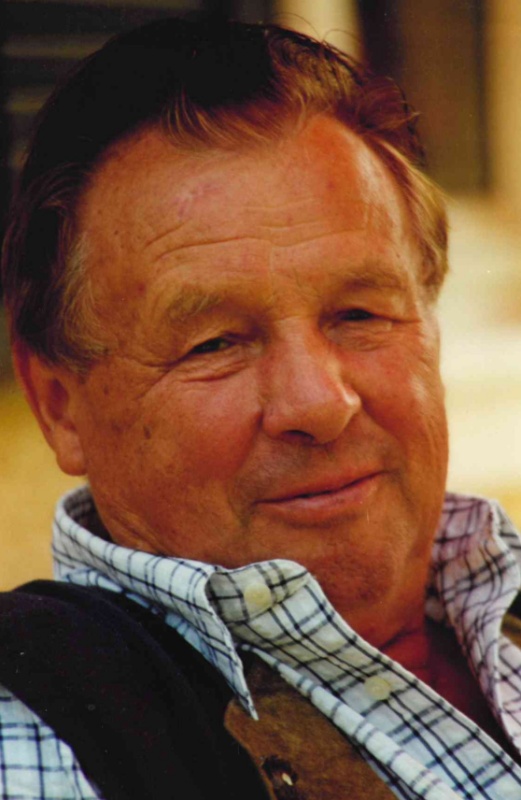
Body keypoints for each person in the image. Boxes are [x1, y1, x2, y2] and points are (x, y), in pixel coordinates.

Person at [1, 16, 521, 800]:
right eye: (214, 343)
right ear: (60, 407)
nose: (320, 402)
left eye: (359, 314)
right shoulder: (33, 741)